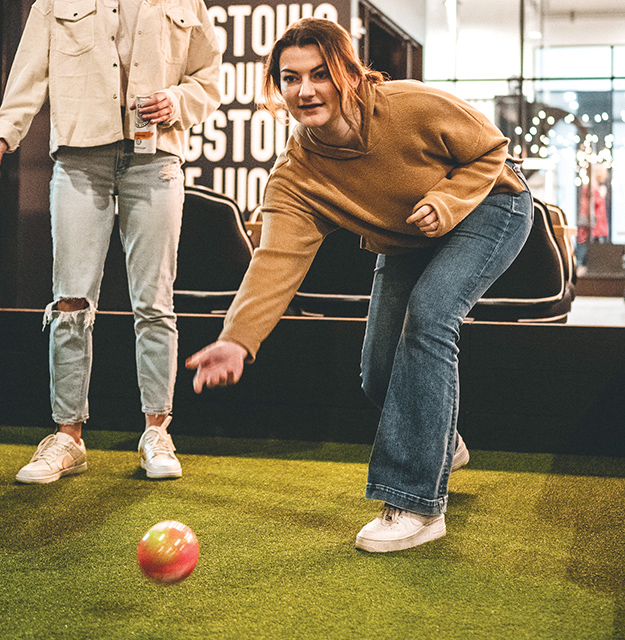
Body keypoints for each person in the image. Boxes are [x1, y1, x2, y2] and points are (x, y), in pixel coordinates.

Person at [185, 18, 533, 552]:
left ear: (347, 72)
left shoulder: (408, 106)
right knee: (378, 375)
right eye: (291, 78)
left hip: (492, 208)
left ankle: (416, 502)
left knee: (431, 315)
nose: (305, 90)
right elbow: (275, 260)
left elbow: (490, 149)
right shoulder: (297, 175)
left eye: (320, 74)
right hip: (405, 239)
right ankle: (437, 442)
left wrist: (445, 202)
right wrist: (237, 338)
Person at [0, 0, 221, 484]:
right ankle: (67, 437)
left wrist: (178, 101)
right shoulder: (54, 2)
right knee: (71, 301)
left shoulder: (186, 3)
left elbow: (209, 78)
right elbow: (28, 75)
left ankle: (157, 432)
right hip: (80, 161)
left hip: (156, 158)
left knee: (155, 301)